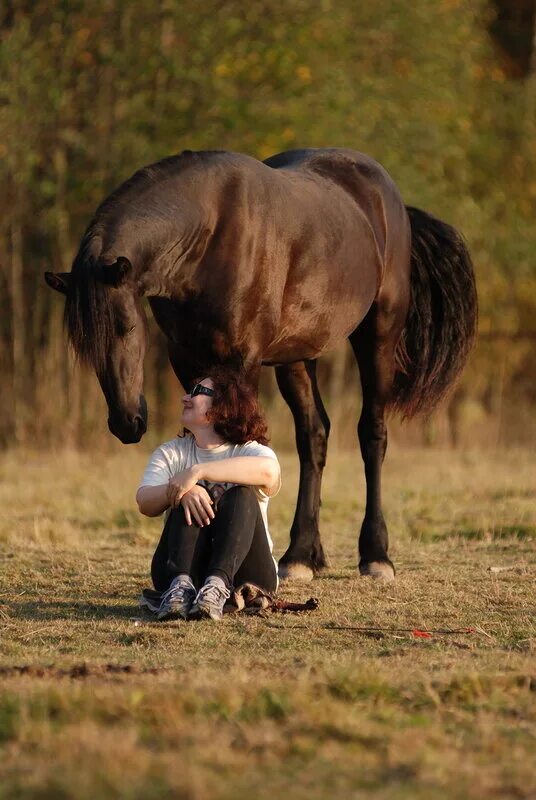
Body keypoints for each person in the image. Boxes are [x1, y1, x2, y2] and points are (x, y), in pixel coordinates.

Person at [136, 367, 281, 622]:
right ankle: (180, 588)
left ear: (224, 406)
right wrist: (183, 489)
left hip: (248, 573)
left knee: (241, 495)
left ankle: (217, 585)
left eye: (198, 392)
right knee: (187, 494)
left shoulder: (249, 451)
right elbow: (145, 501)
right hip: (179, 569)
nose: (185, 398)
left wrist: (197, 471)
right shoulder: (171, 453)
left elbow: (269, 473)